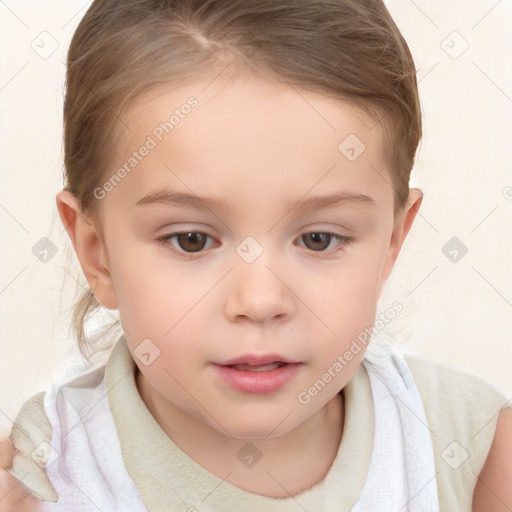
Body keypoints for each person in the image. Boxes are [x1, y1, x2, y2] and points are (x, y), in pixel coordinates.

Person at [1, 0, 511, 510]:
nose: (261, 300)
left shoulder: (470, 444)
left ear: (390, 246)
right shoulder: (42, 472)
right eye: (191, 240)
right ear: (98, 254)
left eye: (319, 239)